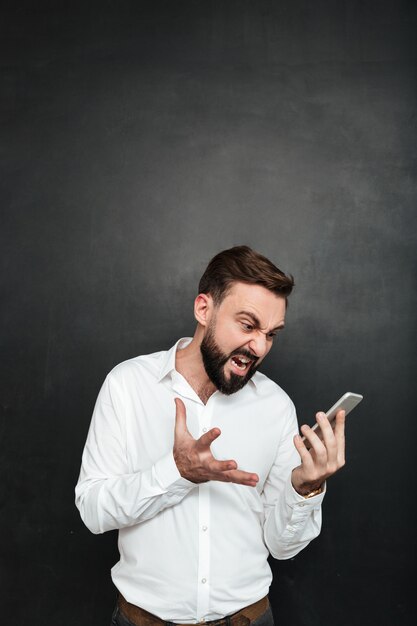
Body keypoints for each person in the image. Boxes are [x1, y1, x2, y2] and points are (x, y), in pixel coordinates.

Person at [75, 245, 346, 626]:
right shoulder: (127, 385)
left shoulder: (275, 406)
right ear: (204, 309)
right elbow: (92, 511)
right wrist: (177, 472)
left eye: (271, 334)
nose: (259, 347)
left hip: (248, 619)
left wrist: (306, 488)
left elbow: (281, 547)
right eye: (248, 325)